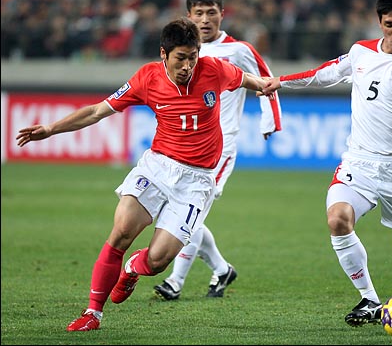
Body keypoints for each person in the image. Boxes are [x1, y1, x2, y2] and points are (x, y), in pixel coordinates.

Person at [16, 17, 271, 332]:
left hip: (197, 181)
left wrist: (262, 85)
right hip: (158, 167)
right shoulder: (147, 79)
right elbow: (98, 110)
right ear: (164, 54)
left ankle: (134, 268)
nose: (188, 65)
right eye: (181, 58)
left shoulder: (214, 69)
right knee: (122, 230)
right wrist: (51, 129)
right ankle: (92, 314)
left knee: (159, 261)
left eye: (193, 57)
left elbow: (244, 77)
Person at [261, 0, 392, 327]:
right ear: (379, 21)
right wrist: (281, 82)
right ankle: (370, 299)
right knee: (338, 219)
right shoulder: (361, 52)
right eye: (389, 24)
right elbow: (324, 73)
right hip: (359, 162)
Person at [153, 0, 282, 301]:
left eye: (211, 12)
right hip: (181, 148)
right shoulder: (182, 52)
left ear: (222, 14)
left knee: (187, 215)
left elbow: (267, 81)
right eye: (198, 13)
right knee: (181, 214)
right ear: (189, 16)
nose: (205, 19)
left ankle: (175, 281)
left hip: (218, 149)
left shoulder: (237, 50)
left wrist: (270, 121)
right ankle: (222, 269)